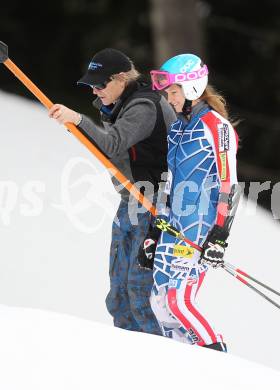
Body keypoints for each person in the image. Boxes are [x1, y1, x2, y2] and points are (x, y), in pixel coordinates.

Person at [48, 48, 176, 335]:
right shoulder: (115, 105)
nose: (96, 90)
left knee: (140, 295)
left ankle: (164, 362)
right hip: (129, 201)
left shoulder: (143, 105)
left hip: (155, 205)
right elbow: (112, 154)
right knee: (118, 297)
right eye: (91, 85)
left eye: (100, 84)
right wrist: (75, 126)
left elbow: (113, 145)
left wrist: (79, 120)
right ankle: (125, 358)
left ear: (121, 79)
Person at [139, 53, 239, 350]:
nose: (168, 99)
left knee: (178, 301)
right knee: (159, 302)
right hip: (173, 223)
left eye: (172, 92)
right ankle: (186, 366)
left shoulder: (216, 126)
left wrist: (219, 235)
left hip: (200, 225)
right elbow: (171, 181)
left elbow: (229, 183)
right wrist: (154, 231)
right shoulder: (179, 127)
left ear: (192, 88)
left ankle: (217, 356)